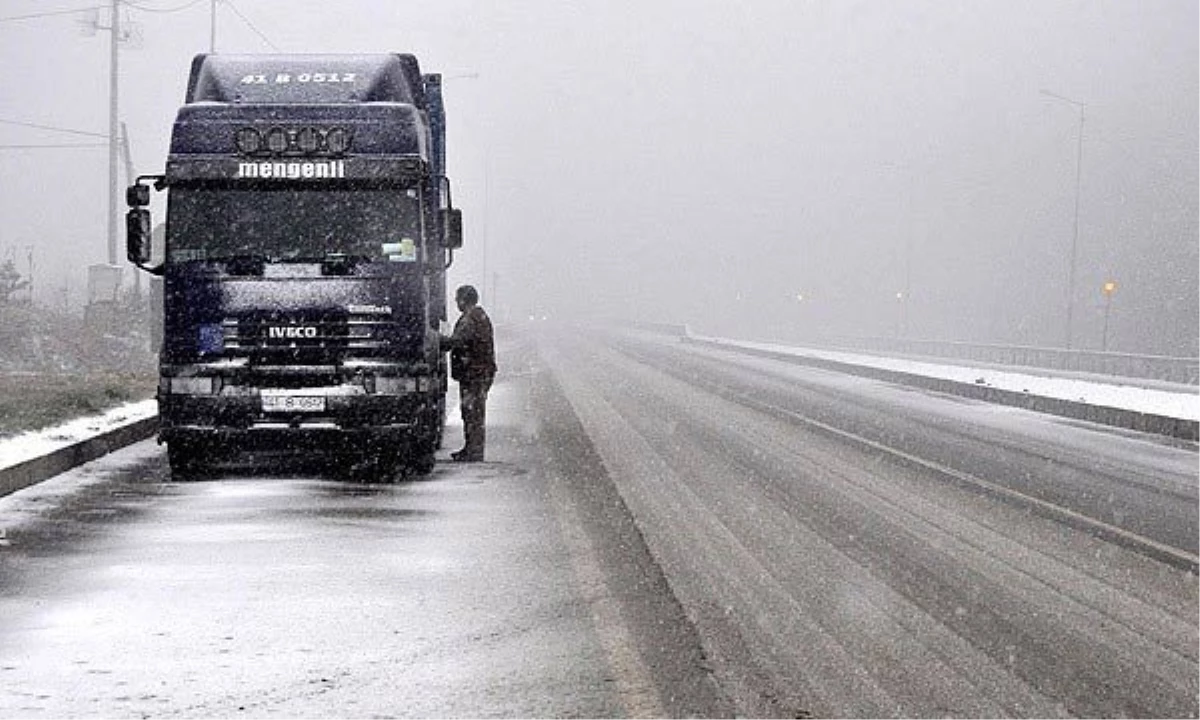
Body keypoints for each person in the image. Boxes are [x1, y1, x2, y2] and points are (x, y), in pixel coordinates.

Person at [440, 285, 497, 462]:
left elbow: (457, 342)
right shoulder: (479, 316)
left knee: (472, 411)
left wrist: (437, 340)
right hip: (479, 372)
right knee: (473, 411)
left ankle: (474, 451)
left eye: (458, 299)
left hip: (474, 373)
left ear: (464, 300)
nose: (456, 302)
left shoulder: (470, 319)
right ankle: (472, 448)